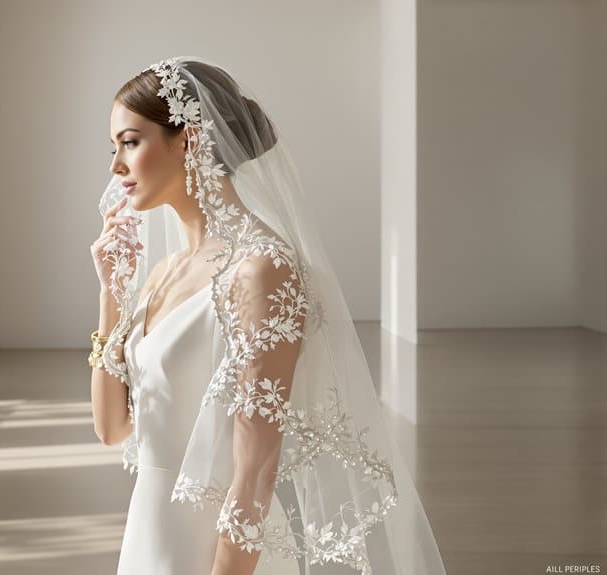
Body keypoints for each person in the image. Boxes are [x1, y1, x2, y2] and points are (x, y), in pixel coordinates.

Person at [88, 57, 447, 575]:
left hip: (219, 554)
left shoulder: (261, 269)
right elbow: (112, 428)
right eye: (114, 147)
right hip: (149, 536)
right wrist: (110, 294)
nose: (115, 166)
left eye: (130, 142)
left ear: (187, 141)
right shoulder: (161, 273)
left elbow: (255, 469)